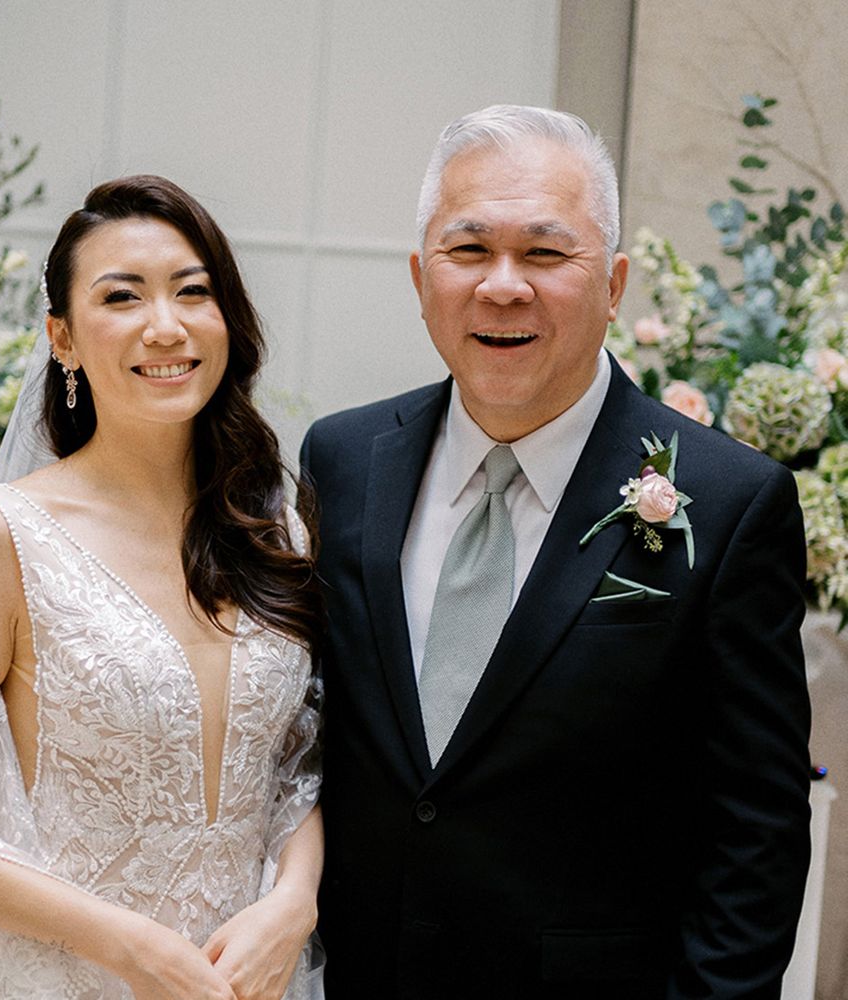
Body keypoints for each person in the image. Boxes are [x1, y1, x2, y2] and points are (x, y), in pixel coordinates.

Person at [299, 105, 811, 999]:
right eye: (468, 251)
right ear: (422, 278)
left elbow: (755, 833)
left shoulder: (731, 504)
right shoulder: (342, 461)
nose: (503, 286)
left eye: (545, 253)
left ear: (613, 284)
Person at [0, 175, 325, 999]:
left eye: (192, 291)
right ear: (62, 338)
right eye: (122, 297)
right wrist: (128, 943)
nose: (165, 326)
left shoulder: (272, 530)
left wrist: (294, 900)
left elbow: (294, 766)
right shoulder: (1, 537)